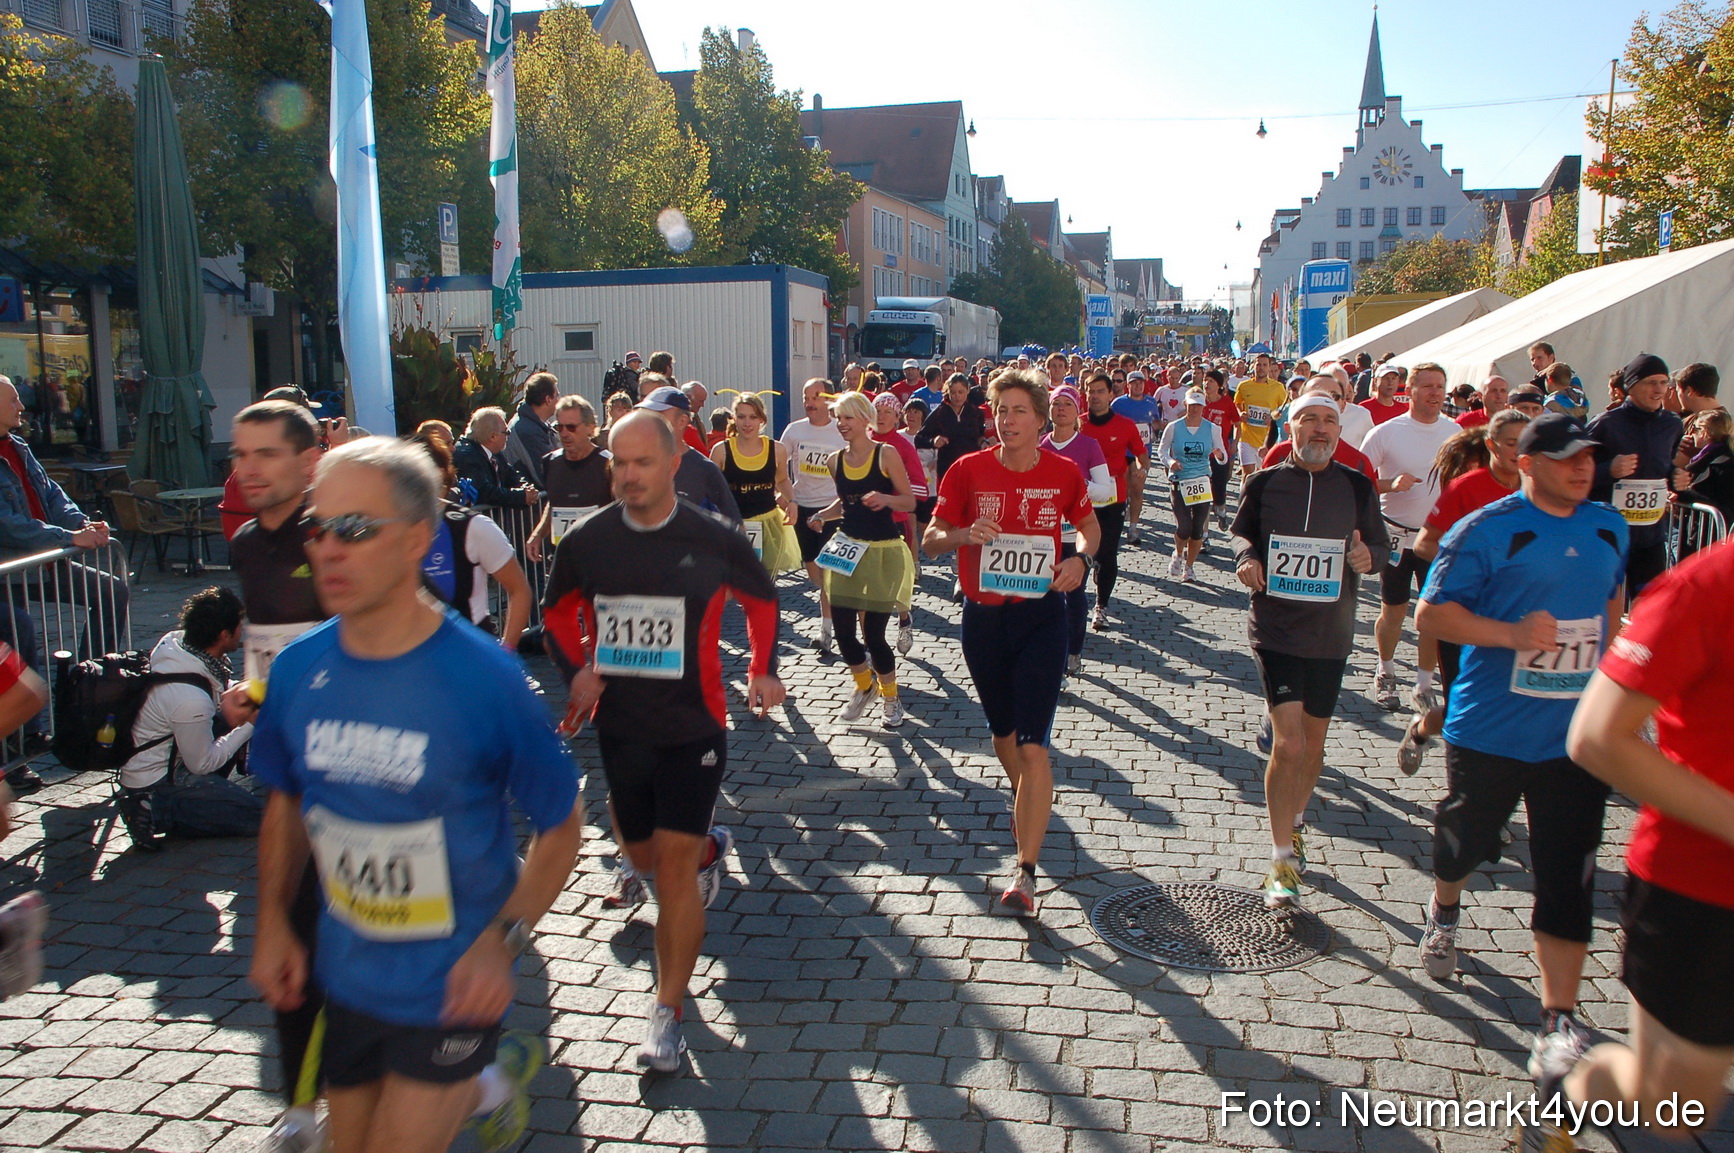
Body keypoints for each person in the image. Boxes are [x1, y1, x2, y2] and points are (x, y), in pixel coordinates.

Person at [248, 439, 582, 1153]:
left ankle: (481, 1075)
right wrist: (274, 919)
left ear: (416, 542)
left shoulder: (484, 677)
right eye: (318, 526)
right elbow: (286, 801)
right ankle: (493, 1087)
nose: (328, 548)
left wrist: (503, 940)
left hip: (453, 990)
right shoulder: (300, 668)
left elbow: (561, 821)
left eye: (356, 528)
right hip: (349, 980)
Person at [542, 411, 783, 1072]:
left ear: (674, 464)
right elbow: (556, 610)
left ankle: (666, 1011)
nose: (626, 475)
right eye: (618, 463)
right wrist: (578, 671)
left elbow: (762, 599)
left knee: (671, 874)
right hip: (620, 727)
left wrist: (763, 667)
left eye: (641, 462)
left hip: (693, 727)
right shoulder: (588, 540)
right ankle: (708, 848)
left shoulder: (712, 536)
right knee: (641, 854)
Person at [1411, 414, 1627, 1117]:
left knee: (1567, 871)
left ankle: (1557, 1018)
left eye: (1588, 456)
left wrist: (1617, 676)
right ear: (1527, 462)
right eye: (1565, 458)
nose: (1581, 467)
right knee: (1466, 843)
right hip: (1491, 729)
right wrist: (1509, 633)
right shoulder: (1488, 528)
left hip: (1574, 737)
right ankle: (1445, 908)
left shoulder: (1608, 526)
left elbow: (1612, 604)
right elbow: (1431, 616)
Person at [1554, 538, 1734, 1148]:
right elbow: (1598, 738)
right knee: (1674, 1107)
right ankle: (1575, 1096)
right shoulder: (1704, 587)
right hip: (1704, 891)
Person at [925, 370, 1099, 917]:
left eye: (1020, 410)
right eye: (1002, 411)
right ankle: (1030, 799)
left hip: (1041, 616)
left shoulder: (1064, 471)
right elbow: (929, 540)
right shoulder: (966, 470)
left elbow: (1090, 529)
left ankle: (1025, 871)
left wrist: (1079, 559)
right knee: (1003, 737)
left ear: (1042, 418)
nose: (1009, 420)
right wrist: (961, 533)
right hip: (983, 620)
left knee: (1032, 745)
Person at [1232, 394, 1388, 910]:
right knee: (1290, 743)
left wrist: (1368, 557)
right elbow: (1240, 537)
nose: (1320, 430)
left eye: (1329, 422)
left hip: (1331, 632)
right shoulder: (1265, 481)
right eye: (1310, 420)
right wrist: (1247, 560)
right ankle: (1281, 859)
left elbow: (1381, 548)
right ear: (1291, 425)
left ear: (1339, 431)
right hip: (1275, 629)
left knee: (1314, 743)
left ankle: (1296, 824)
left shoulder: (1357, 485)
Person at [1399, 411, 1530, 776]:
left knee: (1509, 701)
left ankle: (1491, 787)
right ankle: (1425, 733)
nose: (1518, 452)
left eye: (1526, 444)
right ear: (1491, 445)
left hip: (1517, 614)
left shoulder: (1538, 487)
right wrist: (1474, 564)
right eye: (1510, 444)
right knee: (1465, 702)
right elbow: (1425, 545)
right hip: (1465, 614)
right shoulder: (1466, 488)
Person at [115, 586, 265, 848]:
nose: (244, 630)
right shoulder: (189, 699)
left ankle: (203, 798)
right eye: (240, 626)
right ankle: (151, 811)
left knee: (234, 712)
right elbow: (202, 764)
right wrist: (249, 724)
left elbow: (215, 692)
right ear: (224, 635)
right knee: (260, 819)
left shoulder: (177, 645)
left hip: (174, 754)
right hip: (160, 783)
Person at [0, 373, 128, 675]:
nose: (21, 405)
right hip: (10, 568)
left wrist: (84, 524)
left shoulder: (18, 445)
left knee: (113, 592)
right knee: (20, 630)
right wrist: (70, 537)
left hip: (42, 560)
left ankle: (89, 679)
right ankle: (26, 720)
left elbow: (52, 494)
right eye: (13, 400)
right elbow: (8, 526)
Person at [806, 393, 916, 728]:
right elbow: (845, 503)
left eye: (848, 418)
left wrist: (885, 498)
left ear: (865, 419)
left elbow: (910, 501)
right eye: (838, 418)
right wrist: (822, 516)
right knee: (842, 633)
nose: (841, 424)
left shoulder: (887, 454)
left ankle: (891, 698)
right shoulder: (834, 461)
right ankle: (864, 686)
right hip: (846, 549)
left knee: (874, 635)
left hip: (882, 551)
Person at [1361, 362, 1460, 713]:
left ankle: (1424, 682)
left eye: (1440, 386)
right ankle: (1385, 670)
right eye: (1428, 386)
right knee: (1394, 610)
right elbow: (1360, 480)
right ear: (1411, 391)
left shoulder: (1453, 432)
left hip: (1436, 538)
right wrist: (1391, 484)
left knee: (1431, 614)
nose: (1435, 393)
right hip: (1396, 535)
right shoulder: (1387, 432)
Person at [411, 437, 534, 650]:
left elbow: (519, 590)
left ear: (439, 473)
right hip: (412, 664)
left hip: (468, 656)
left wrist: (505, 653)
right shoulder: (388, 529)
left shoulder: (472, 526)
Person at [1588, 353, 1683, 600]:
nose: (1659, 389)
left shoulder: (1672, 424)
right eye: (1651, 382)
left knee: (1650, 606)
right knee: (1604, 606)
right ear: (1630, 386)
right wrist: (1608, 470)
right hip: (1609, 536)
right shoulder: (1606, 424)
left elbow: (1663, 465)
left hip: (1650, 536)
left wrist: (1675, 477)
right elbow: (1574, 473)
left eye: (1664, 382)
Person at [1040, 385, 1115, 682]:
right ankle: (1052, 654)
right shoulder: (1040, 445)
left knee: (1073, 595)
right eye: (1055, 404)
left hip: (1076, 535)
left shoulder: (1088, 446)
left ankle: (1075, 651)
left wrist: (1075, 486)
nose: (1060, 409)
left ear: (1076, 412)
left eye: (1066, 405)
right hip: (1044, 535)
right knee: (1046, 597)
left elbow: (1107, 490)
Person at [780, 379, 848, 651]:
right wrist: (785, 495)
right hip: (804, 507)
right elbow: (778, 463)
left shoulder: (841, 431)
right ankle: (834, 608)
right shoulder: (794, 431)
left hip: (834, 509)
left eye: (816, 397)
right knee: (814, 571)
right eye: (805, 397)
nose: (809, 403)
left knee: (831, 572)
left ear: (829, 399)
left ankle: (827, 632)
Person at [1077, 371, 1145, 630]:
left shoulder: (1125, 425)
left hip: (1113, 496)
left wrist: (1141, 468)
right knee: (1079, 551)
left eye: (1100, 391)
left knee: (1106, 552)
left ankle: (1101, 605)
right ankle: (1075, 599)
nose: (1095, 396)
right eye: (1090, 391)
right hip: (1081, 498)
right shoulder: (1077, 424)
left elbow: (1141, 453)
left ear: (1110, 394)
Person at [711, 391, 800, 576]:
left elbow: (782, 479)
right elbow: (712, 489)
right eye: (741, 417)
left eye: (753, 417)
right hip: (733, 525)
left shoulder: (777, 449)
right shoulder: (721, 451)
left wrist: (792, 501)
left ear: (761, 419)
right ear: (734, 419)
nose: (747, 423)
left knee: (764, 586)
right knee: (732, 585)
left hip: (768, 525)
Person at [635, 380, 742, 522]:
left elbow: (734, 525)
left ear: (682, 421)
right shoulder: (634, 464)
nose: (650, 421)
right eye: (647, 415)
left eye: (658, 415)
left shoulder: (704, 470)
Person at [869, 392, 927, 652]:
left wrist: (890, 493)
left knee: (894, 582)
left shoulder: (902, 446)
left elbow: (921, 489)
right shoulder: (862, 442)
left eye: (887, 412)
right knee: (868, 585)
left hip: (896, 522)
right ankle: (872, 642)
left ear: (897, 417)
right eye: (877, 411)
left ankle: (904, 618)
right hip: (864, 523)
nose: (881, 417)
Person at [526, 395, 612, 567]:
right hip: (561, 561)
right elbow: (555, 502)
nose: (564, 433)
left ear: (590, 428)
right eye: (559, 427)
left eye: (571, 427)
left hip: (598, 562)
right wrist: (538, 534)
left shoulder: (608, 463)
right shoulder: (551, 462)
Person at [1157, 389, 1228, 582]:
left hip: (1201, 481)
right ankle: (1178, 553)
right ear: (1185, 405)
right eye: (1192, 405)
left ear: (1204, 407)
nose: (1195, 409)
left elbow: (1223, 456)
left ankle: (1189, 567)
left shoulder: (1213, 429)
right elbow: (1162, 451)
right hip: (1180, 480)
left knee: (1197, 529)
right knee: (1184, 527)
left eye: (1199, 406)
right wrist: (1170, 462)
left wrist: (1220, 456)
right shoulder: (1173, 427)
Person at [452, 408, 540, 512]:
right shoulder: (467, 455)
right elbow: (484, 492)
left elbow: (512, 475)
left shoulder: (494, 453)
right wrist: (520, 496)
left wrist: (526, 489)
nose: (508, 436)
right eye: (507, 432)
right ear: (493, 437)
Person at [1112, 371, 1163, 545]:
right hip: (1123, 452)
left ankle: (1133, 528)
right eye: (1134, 383)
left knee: (1137, 490)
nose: (1138, 386)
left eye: (1141, 383)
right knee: (1124, 490)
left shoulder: (1151, 402)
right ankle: (1120, 516)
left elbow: (1155, 422)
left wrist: (1160, 426)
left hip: (1142, 452)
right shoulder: (1118, 403)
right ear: (1128, 385)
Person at [1233, 353, 1288, 475]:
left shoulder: (1278, 388)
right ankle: (1246, 493)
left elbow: (1285, 409)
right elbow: (1237, 403)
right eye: (1258, 364)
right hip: (1247, 436)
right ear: (1253, 366)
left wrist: (1274, 416)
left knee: (1263, 473)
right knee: (1248, 474)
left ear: (1269, 368)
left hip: (1267, 438)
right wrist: (1240, 413)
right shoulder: (1244, 386)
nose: (1261, 368)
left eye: (1264, 365)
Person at [503, 372, 559, 488]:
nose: (560, 400)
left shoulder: (536, 424)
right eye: (557, 395)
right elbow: (546, 474)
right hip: (529, 504)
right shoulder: (527, 430)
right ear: (548, 400)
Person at [1200, 370, 1240, 530]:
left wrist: (1235, 443)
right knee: (1203, 495)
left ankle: (1221, 511)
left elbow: (1237, 424)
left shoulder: (1226, 402)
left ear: (1219, 385)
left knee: (1219, 489)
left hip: (1220, 452)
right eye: (1205, 380)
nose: (1207, 384)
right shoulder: (1199, 401)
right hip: (1200, 453)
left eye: (1211, 381)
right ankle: (1203, 536)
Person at [1360, 362, 1409, 429]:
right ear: (1375, 381)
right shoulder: (1363, 409)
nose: (1390, 382)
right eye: (1386, 378)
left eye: (1393, 378)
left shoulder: (1403, 410)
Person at [678, 383, 711, 454]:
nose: (702, 405)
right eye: (701, 401)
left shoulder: (697, 421)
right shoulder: (678, 421)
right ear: (688, 398)